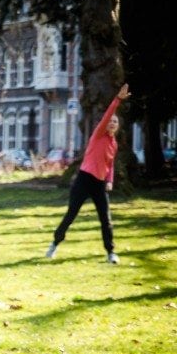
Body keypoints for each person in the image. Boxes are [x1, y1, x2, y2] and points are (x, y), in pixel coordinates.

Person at [46, 84, 131, 264]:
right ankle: (54, 244)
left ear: (118, 126)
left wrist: (110, 180)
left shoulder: (113, 144)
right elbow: (108, 114)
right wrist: (118, 100)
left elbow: (110, 165)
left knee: (105, 219)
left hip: (99, 184)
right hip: (84, 180)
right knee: (71, 215)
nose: (112, 123)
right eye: (110, 121)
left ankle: (110, 253)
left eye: (115, 122)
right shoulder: (98, 135)